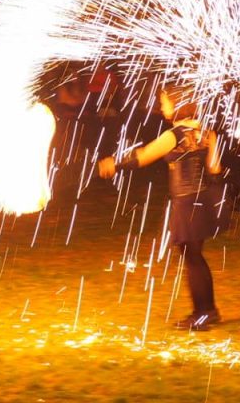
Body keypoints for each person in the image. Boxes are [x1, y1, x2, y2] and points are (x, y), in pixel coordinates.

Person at [98, 86, 231, 331]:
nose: (162, 107)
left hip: (186, 201)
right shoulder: (206, 131)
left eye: (165, 102)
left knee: (192, 259)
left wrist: (114, 165)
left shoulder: (175, 134)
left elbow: (144, 156)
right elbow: (215, 168)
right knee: (195, 256)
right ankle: (208, 311)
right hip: (202, 201)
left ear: (178, 103)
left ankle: (204, 313)